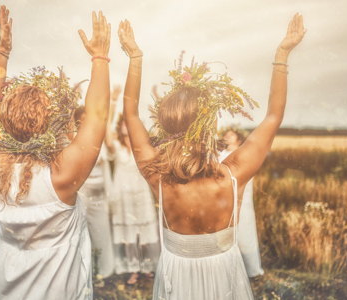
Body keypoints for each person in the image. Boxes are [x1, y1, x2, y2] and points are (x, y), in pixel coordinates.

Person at [119, 13, 306, 299]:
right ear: (208, 127)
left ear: (167, 124)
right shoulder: (233, 174)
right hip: (224, 276)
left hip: (177, 276)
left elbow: (131, 115)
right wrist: (282, 54)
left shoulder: (157, 176)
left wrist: (135, 57)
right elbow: (273, 116)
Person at [0, 7, 110, 299]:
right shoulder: (61, 177)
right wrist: (100, 58)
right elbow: (98, 115)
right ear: (51, 124)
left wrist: (2, 51)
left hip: (6, 283)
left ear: (4, 124)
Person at [105, 85, 160, 284]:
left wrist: (156, 99)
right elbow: (106, 130)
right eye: (123, 124)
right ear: (120, 127)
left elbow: (157, 129)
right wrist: (113, 101)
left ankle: (147, 266)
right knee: (128, 231)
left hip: (141, 194)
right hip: (123, 195)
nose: (126, 127)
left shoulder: (142, 147)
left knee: (144, 230)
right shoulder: (117, 146)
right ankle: (133, 269)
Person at [75, 105, 115, 280]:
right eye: (81, 119)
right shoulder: (74, 140)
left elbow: (108, 157)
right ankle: (86, 270)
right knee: (82, 231)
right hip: (82, 193)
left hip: (99, 193)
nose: (85, 122)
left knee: (102, 230)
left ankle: (105, 269)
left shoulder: (98, 139)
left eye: (87, 118)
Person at [220, 125, 264, 277]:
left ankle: (252, 270)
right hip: (221, 203)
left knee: (244, 235)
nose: (227, 136)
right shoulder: (219, 154)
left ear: (239, 139)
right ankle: (229, 271)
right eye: (226, 134)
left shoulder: (244, 155)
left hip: (241, 200)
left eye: (231, 134)